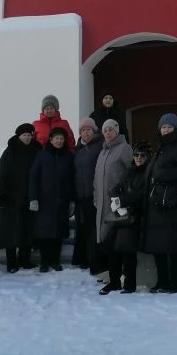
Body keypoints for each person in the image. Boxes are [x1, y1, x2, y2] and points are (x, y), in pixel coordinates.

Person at [142, 112, 177, 294]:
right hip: (157, 203)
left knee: (174, 246)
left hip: (172, 205)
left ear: (175, 128)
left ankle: (175, 283)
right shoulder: (161, 146)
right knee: (158, 245)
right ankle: (162, 281)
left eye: (169, 127)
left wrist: (162, 176)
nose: (166, 130)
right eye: (163, 127)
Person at [99, 141, 152, 294]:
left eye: (142, 155)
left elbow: (142, 195)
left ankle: (129, 284)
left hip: (135, 216)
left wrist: (122, 200)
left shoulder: (148, 173)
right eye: (136, 155)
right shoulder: (131, 171)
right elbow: (119, 186)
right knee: (111, 247)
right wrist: (115, 195)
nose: (139, 158)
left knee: (128, 250)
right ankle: (114, 281)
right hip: (122, 215)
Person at [0, 122, 40, 273]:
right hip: (11, 198)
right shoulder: (10, 151)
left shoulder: (36, 150)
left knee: (27, 230)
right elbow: (1, 174)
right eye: (24, 135)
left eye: (29, 135)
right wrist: (1, 196)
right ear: (19, 136)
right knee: (11, 231)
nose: (26, 138)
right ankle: (11, 263)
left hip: (29, 197)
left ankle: (24, 260)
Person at [28, 126, 75, 272]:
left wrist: (72, 200)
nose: (59, 141)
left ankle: (55, 260)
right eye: (57, 138)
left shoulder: (68, 156)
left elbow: (72, 179)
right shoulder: (42, 155)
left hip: (62, 200)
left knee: (58, 233)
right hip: (44, 201)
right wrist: (33, 198)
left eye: (61, 138)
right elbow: (33, 177)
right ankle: (44, 261)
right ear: (51, 139)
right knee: (44, 233)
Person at [92, 118, 133, 282]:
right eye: (105, 130)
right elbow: (96, 179)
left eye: (111, 130)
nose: (108, 133)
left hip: (117, 203)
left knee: (115, 239)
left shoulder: (124, 148)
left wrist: (125, 196)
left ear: (117, 131)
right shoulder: (102, 152)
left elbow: (131, 172)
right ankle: (110, 271)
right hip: (102, 204)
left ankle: (119, 272)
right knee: (104, 239)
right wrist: (96, 198)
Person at [71, 117, 106, 275]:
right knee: (84, 229)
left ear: (94, 131)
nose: (86, 132)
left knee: (94, 230)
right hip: (81, 195)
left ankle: (96, 262)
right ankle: (84, 259)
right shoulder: (78, 149)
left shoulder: (100, 145)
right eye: (83, 130)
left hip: (95, 195)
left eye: (88, 130)